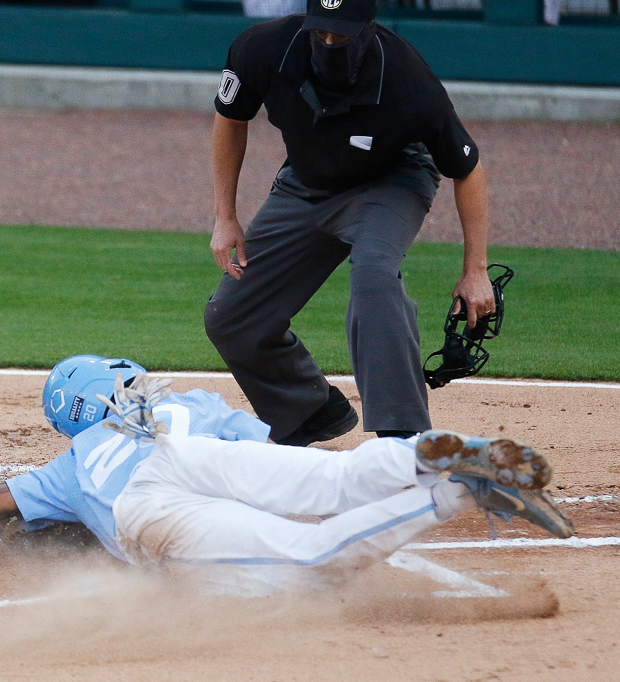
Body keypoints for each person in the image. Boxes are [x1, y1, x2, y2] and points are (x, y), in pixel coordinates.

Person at [0, 355, 572, 597]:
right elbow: (271, 451)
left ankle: (456, 490)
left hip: (147, 504)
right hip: (192, 450)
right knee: (337, 481)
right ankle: (424, 454)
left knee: (315, 565)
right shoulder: (185, 402)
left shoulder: (75, 460)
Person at [205, 0, 494, 446]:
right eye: (320, 33)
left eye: (341, 36)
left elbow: (467, 168)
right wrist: (226, 217)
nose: (328, 43)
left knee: (375, 276)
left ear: (367, 27)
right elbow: (230, 119)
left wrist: (475, 271)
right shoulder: (262, 48)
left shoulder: (406, 77)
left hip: (391, 181)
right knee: (231, 315)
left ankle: (404, 439)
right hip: (306, 182)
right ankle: (308, 411)